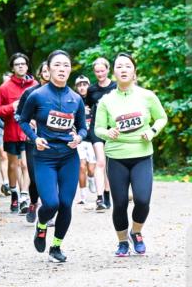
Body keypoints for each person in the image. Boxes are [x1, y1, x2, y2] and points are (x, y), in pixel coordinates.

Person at [93, 53, 168, 257]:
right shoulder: (106, 101)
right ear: (113, 72)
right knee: (119, 203)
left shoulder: (147, 96)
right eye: (119, 67)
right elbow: (98, 128)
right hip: (117, 156)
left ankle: (137, 232)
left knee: (143, 200)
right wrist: (107, 132)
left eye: (127, 66)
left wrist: (152, 131)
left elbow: (161, 118)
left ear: (134, 71)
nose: (123, 69)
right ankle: (122, 241)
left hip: (142, 154)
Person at [17, 50, 87, 263]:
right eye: (57, 65)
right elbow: (22, 119)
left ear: (70, 69)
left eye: (66, 65)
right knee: (51, 203)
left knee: (66, 203)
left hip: (68, 157)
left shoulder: (75, 99)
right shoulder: (37, 95)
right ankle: (41, 224)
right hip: (45, 157)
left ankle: (56, 247)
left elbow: (83, 128)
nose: (62, 69)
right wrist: (34, 137)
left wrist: (79, 138)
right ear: (48, 69)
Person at [0, 53, 37, 214]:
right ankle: (14, 193)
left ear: (27, 65)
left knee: (26, 164)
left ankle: (24, 196)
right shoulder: (5, 88)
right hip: (11, 132)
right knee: (12, 165)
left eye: (23, 63)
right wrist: (11, 107)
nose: (21, 66)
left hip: (29, 133)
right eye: (17, 64)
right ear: (12, 67)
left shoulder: (35, 85)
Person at [16, 62, 53, 224]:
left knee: (51, 177)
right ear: (40, 74)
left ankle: (48, 210)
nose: (46, 73)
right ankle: (33, 202)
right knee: (35, 176)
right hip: (32, 141)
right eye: (44, 71)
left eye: (48, 70)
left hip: (53, 141)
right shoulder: (30, 93)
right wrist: (29, 121)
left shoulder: (59, 93)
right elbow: (18, 115)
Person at [85, 57, 117, 211]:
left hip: (113, 129)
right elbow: (88, 106)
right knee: (100, 162)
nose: (100, 74)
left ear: (108, 69)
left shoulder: (116, 87)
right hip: (96, 128)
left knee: (109, 164)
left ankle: (107, 194)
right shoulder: (91, 90)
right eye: (97, 71)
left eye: (102, 70)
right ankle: (99, 199)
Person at [74, 75, 98, 205]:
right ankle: (83, 196)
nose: (82, 87)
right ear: (77, 87)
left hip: (93, 139)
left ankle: (91, 178)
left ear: (88, 85)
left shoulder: (94, 100)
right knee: (81, 166)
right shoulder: (74, 100)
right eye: (79, 85)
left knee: (91, 169)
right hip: (80, 139)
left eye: (84, 85)